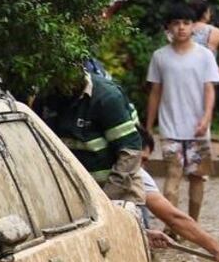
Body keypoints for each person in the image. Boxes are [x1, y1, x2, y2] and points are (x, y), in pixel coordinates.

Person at [146, 3, 219, 223]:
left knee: (198, 178)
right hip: (170, 128)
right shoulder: (160, 57)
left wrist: (206, 117)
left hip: (198, 128)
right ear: (168, 27)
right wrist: (149, 126)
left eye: (186, 23)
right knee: (173, 176)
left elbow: (210, 89)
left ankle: (193, 224)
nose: (181, 28)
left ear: (193, 27)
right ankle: (174, 226)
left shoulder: (205, 56)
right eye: (176, 23)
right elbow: (154, 92)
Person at [136, 128, 219, 262]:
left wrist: (143, 233)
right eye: (141, 159)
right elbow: (174, 218)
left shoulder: (130, 170)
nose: (142, 166)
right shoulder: (136, 174)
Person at [37, 68, 145, 204]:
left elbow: (130, 152)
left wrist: (106, 200)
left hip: (117, 196)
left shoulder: (106, 97)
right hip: (75, 198)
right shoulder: (48, 96)